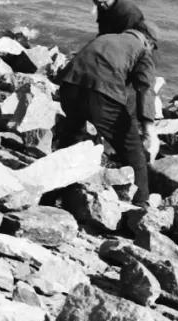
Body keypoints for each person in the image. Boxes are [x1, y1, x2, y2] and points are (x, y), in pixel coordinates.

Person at [54, 28, 158, 202]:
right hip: (101, 93)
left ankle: (54, 193)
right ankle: (141, 205)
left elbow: (79, 60)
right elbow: (145, 88)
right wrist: (150, 130)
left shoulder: (106, 37)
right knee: (133, 150)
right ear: (149, 42)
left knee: (71, 140)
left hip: (69, 86)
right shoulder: (141, 50)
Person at [86, 0, 154, 40]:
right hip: (114, 35)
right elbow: (103, 31)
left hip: (136, 41)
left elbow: (124, 40)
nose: (101, 4)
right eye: (98, 1)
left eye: (105, 0)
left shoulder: (129, 12)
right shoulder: (103, 5)